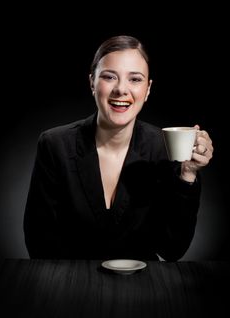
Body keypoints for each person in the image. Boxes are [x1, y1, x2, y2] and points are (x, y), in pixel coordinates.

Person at [23, 35, 213, 260]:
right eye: (109, 77)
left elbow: (172, 249)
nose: (121, 89)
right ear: (92, 82)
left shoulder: (163, 149)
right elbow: (39, 243)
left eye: (135, 79)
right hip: (72, 287)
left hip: (141, 288)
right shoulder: (54, 145)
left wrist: (188, 174)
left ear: (148, 89)